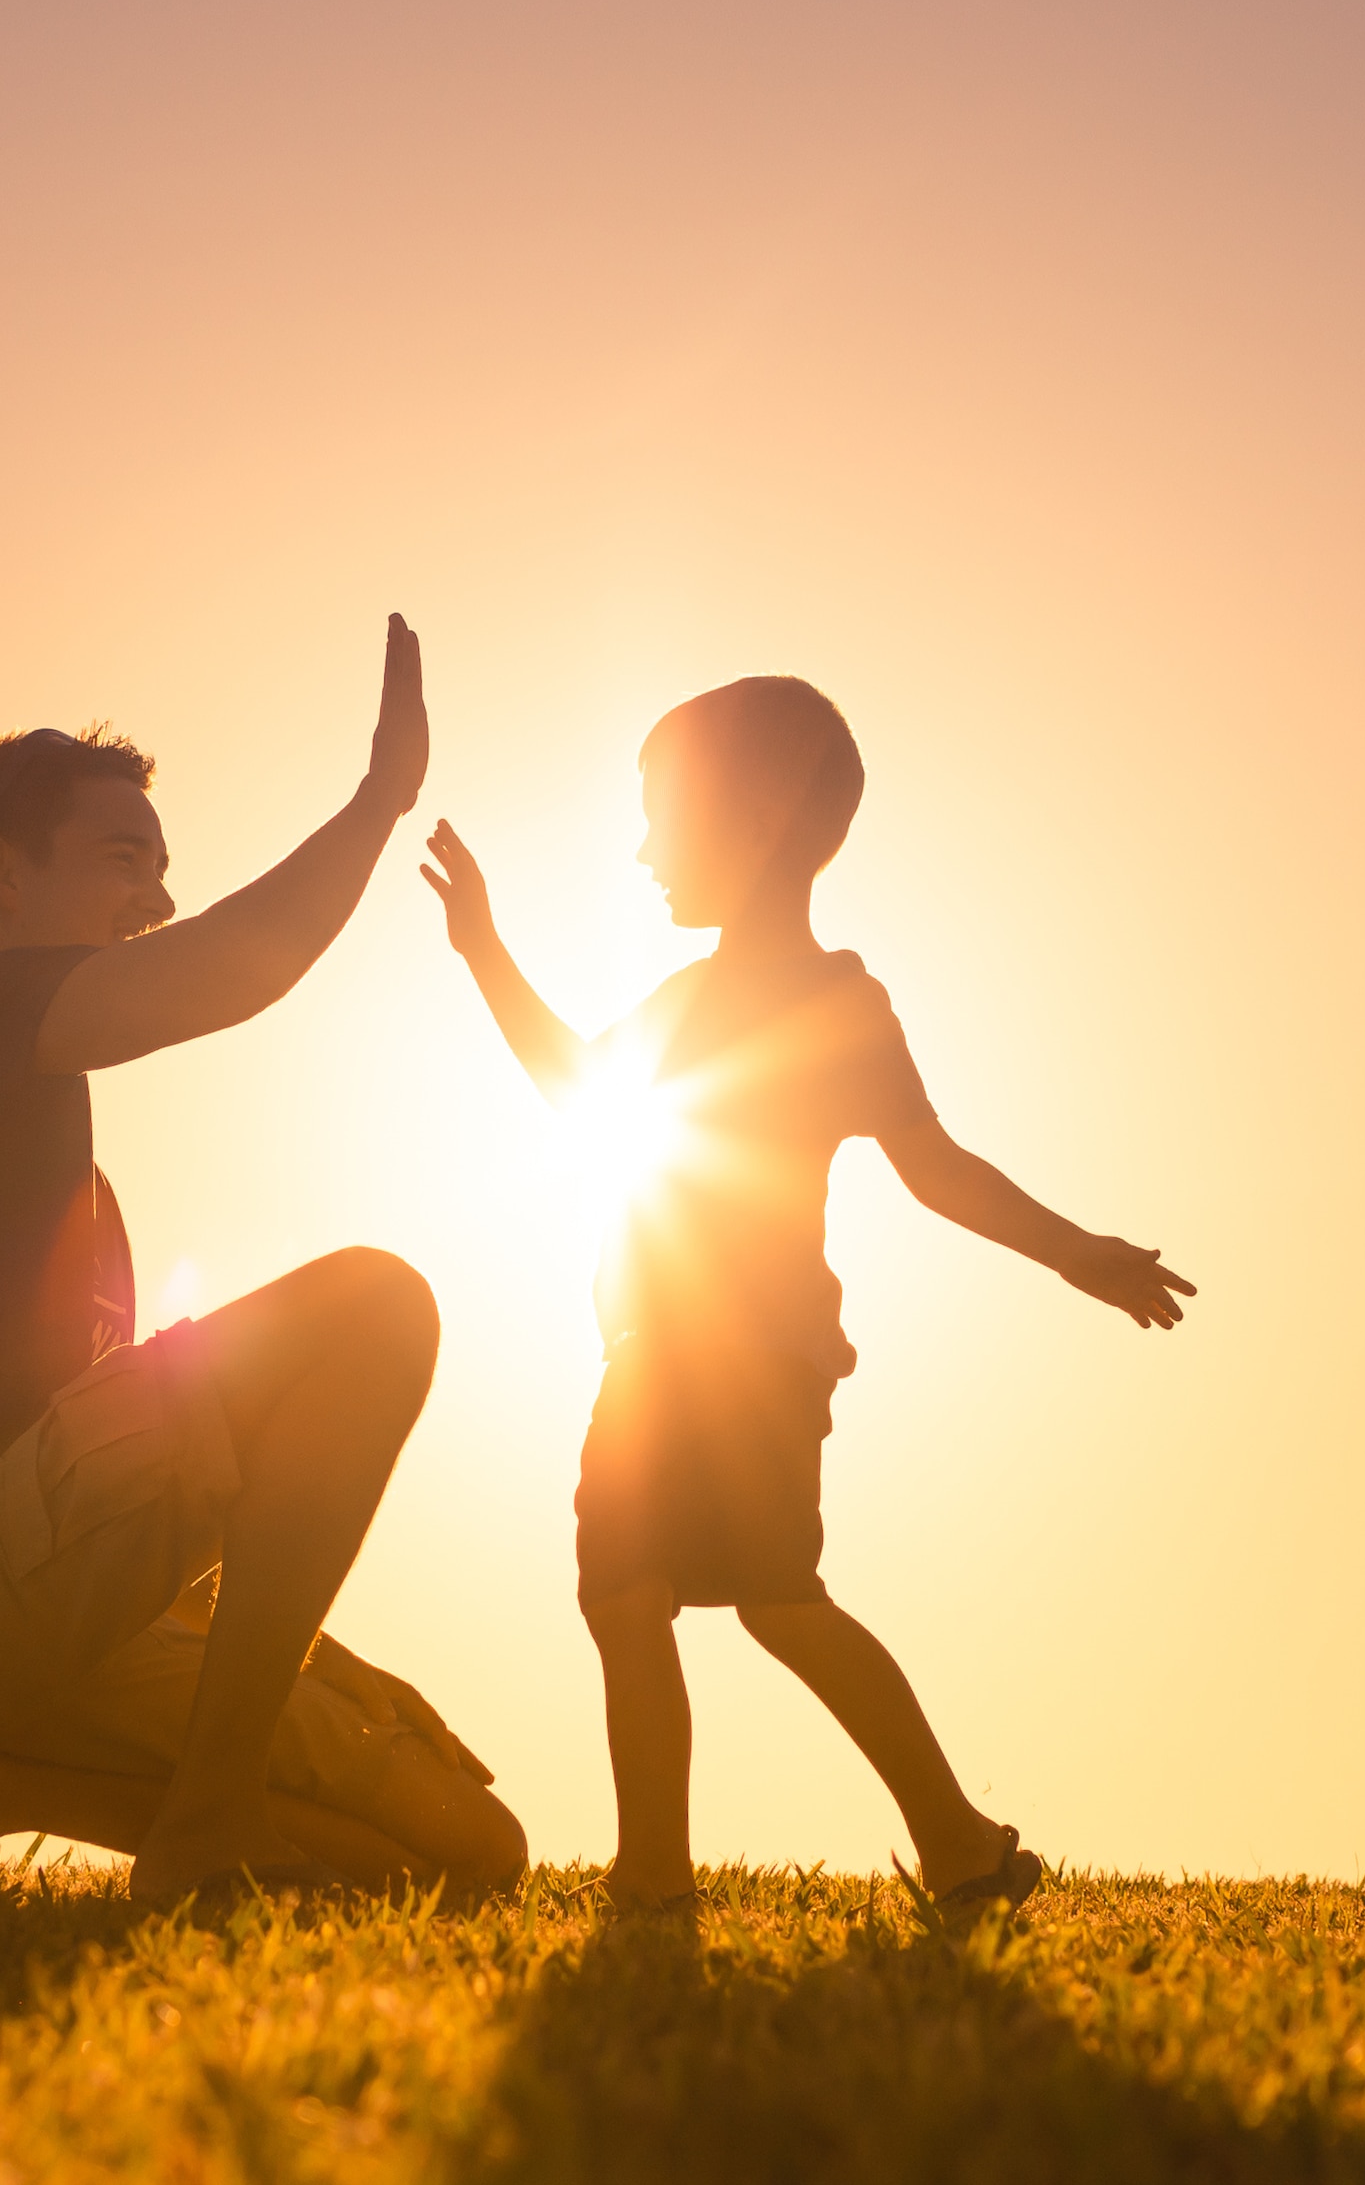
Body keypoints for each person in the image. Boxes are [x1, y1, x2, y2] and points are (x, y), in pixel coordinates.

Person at [0, 617, 524, 1906]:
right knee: (374, 1310)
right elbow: (237, 968)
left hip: (35, 1615)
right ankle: (205, 1824)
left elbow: (156, 1492)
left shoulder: (81, 1197)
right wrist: (377, 799)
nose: (158, 899)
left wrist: (318, 1665)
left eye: (163, 869)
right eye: (124, 858)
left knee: (461, 1856)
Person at [417, 675, 1188, 1922]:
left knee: (774, 1600)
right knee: (623, 1593)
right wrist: (485, 952)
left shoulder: (837, 999)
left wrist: (1074, 1250)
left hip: (756, 1361)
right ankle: (659, 1879)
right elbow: (579, 1088)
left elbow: (934, 1168)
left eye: (664, 815)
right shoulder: (680, 1004)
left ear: (765, 815)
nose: (643, 849)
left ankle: (957, 1840)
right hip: (647, 1350)